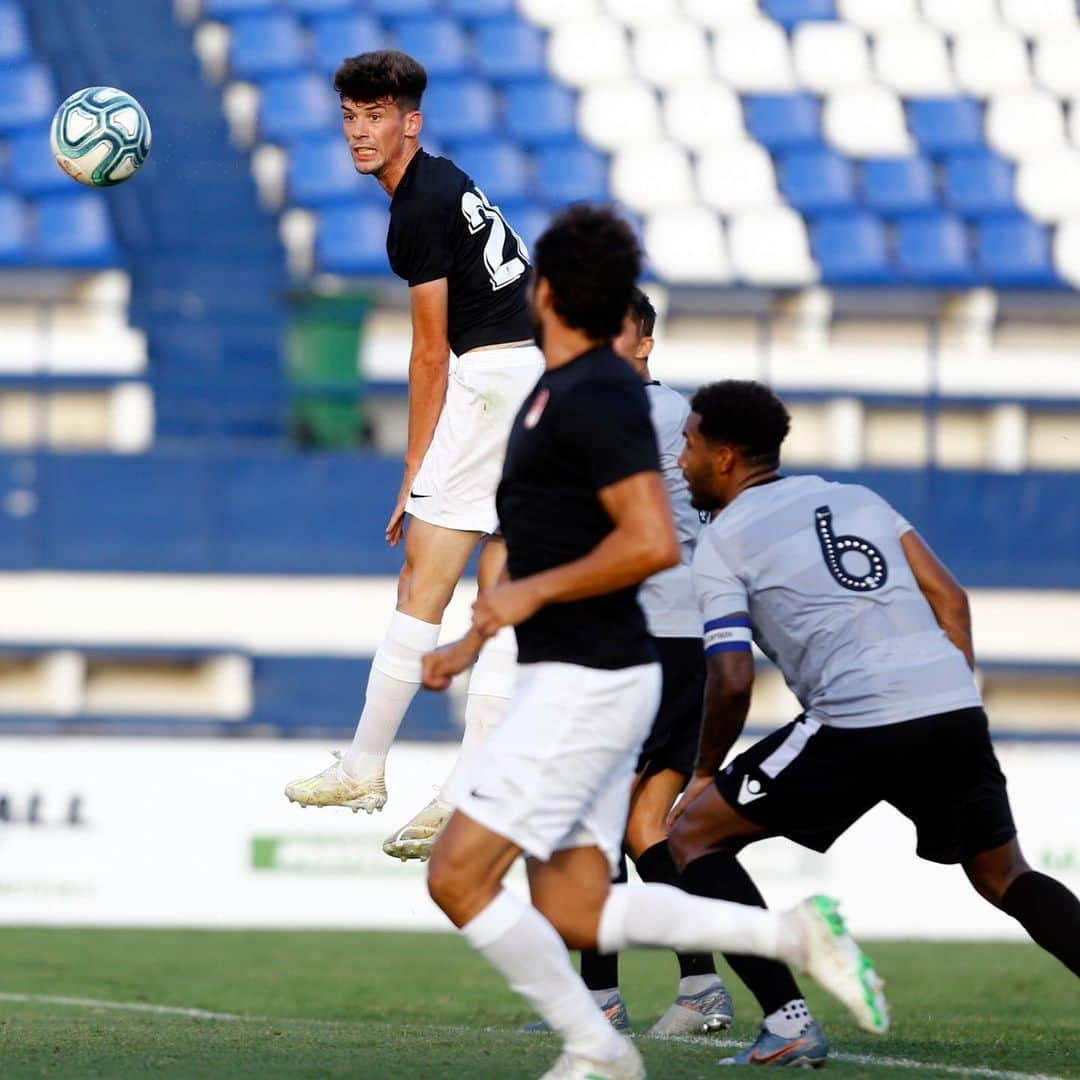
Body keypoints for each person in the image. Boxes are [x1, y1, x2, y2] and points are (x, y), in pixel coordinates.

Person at [420, 206, 888, 1080]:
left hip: (598, 675)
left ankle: (601, 1043)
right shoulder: (564, 395)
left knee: (459, 876)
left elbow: (649, 542)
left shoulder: (602, 399)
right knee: (578, 903)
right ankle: (775, 942)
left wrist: (518, 595)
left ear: (545, 293)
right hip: (594, 666)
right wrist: (483, 628)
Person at [669, 379, 1080, 1067]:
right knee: (1005, 876)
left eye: (688, 444)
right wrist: (948, 694)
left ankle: (789, 1021)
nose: (680, 460)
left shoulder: (723, 543)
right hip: (950, 707)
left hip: (858, 718)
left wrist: (705, 770)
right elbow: (950, 598)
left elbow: (732, 675)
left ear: (726, 457)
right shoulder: (857, 498)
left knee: (691, 836)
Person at [284, 51, 542, 859]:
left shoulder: (416, 210)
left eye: (376, 116)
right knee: (498, 587)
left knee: (422, 577)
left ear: (410, 122)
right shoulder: (446, 180)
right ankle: (469, 789)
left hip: (494, 381)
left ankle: (364, 766)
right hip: (540, 380)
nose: (361, 132)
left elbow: (431, 353)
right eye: (351, 117)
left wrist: (412, 471)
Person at [523, 288, 733, 1039]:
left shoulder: (633, 412)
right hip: (674, 631)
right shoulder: (670, 414)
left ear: (645, 343)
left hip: (652, 637)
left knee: (602, 816)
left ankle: (613, 998)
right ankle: (691, 986)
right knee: (641, 825)